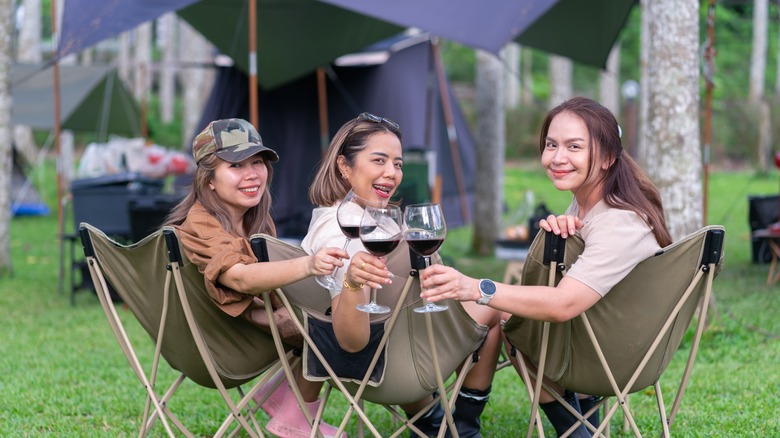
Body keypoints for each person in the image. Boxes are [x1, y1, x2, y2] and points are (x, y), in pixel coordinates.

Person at [419, 96, 672, 437]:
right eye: (551, 145)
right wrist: (564, 241)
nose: (557, 158)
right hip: (612, 344)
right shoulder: (590, 206)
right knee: (510, 314)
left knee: (513, 320)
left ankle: (565, 431)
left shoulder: (619, 220)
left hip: (613, 359)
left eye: (574, 147)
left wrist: (476, 287)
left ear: (608, 158)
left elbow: (563, 304)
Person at [300, 112, 503, 438]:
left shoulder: (336, 217)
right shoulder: (346, 232)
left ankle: (433, 421)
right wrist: (353, 280)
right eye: (379, 160)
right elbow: (352, 340)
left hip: (378, 358)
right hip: (387, 367)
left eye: (397, 164)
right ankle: (462, 427)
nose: (391, 173)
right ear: (343, 166)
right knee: (494, 304)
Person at [164, 118, 348, 438]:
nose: (252, 174)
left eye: (258, 162)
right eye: (236, 165)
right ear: (209, 179)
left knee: (338, 312)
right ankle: (295, 416)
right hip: (223, 342)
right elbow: (242, 280)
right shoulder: (201, 223)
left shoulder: (250, 220)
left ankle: (281, 396)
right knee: (334, 327)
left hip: (246, 327)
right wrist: (309, 265)